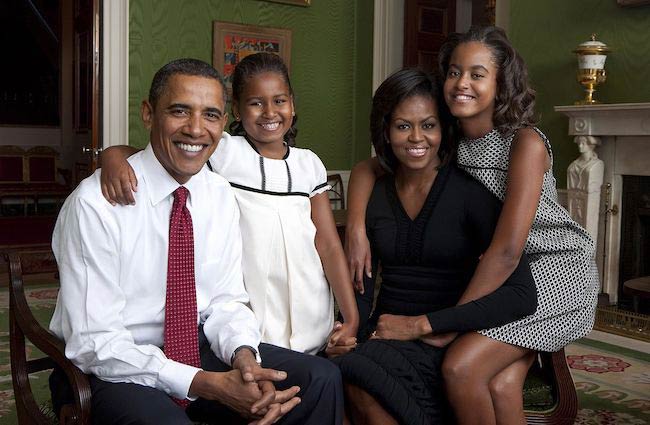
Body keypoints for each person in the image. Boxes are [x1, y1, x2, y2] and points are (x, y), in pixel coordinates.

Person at [49, 58, 343, 425]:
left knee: (320, 379)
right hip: (113, 366)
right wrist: (210, 385)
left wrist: (244, 359)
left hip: (195, 347)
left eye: (211, 115)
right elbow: (96, 343)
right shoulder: (96, 204)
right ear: (148, 114)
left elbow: (226, 301)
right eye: (179, 111)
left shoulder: (218, 193)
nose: (195, 129)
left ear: (223, 123)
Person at [345, 26, 599, 424]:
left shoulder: (525, 143)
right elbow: (369, 168)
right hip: (509, 274)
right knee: (501, 384)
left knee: (460, 366)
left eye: (477, 74)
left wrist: (446, 324)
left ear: (502, 83)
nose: (461, 83)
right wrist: (357, 227)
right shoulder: (450, 138)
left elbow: (507, 250)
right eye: (453, 72)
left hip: (555, 270)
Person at [100, 52, 358, 357]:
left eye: (279, 101)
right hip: (252, 304)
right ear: (234, 110)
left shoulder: (309, 164)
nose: (269, 112)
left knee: (314, 374)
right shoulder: (224, 151)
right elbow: (156, 155)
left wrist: (351, 317)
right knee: (265, 365)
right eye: (255, 103)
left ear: (292, 105)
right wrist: (111, 157)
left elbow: (327, 243)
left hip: (309, 297)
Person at [332, 68, 537, 425]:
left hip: (445, 337)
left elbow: (521, 294)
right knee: (342, 370)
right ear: (385, 130)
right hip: (387, 332)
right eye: (402, 126)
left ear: (443, 130)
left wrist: (427, 326)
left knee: (360, 378)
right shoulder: (376, 194)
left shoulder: (470, 194)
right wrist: (348, 329)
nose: (416, 138)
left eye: (428, 125)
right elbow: (362, 283)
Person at [567, 135, 604, 240]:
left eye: (583, 143)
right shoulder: (573, 165)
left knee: (587, 229)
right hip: (573, 200)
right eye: (579, 143)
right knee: (573, 229)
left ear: (591, 146)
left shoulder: (597, 165)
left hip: (588, 200)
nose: (580, 146)